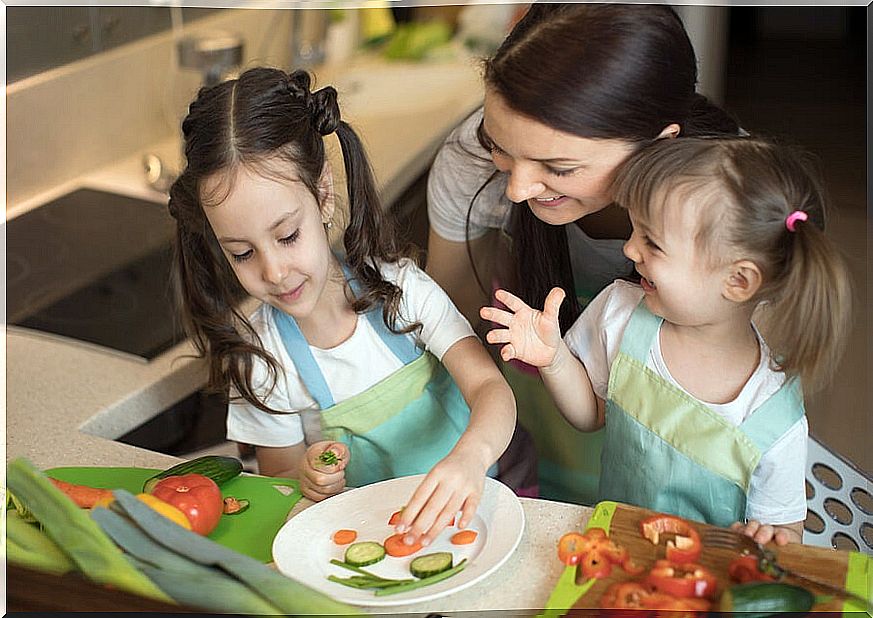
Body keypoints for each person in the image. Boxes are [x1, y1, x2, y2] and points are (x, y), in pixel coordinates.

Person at [167, 67, 516, 546]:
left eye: (287, 235)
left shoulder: (402, 292)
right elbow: (282, 477)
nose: (273, 271)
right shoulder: (260, 357)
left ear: (324, 194)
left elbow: (491, 390)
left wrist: (470, 458)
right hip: (372, 538)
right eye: (242, 253)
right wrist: (310, 479)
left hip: (483, 503)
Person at [426, 3, 741, 503]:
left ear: (659, 146)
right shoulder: (471, 161)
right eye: (500, 147)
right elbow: (451, 324)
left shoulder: (736, 206)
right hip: (529, 434)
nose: (517, 189)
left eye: (559, 167)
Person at [480, 136, 852, 544]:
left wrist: (769, 538)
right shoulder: (621, 313)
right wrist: (554, 360)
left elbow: (786, 535)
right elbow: (590, 416)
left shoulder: (771, 416)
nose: (629, 249)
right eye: (635, 229)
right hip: (617, 552)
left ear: (738, 280)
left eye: (651, 242)